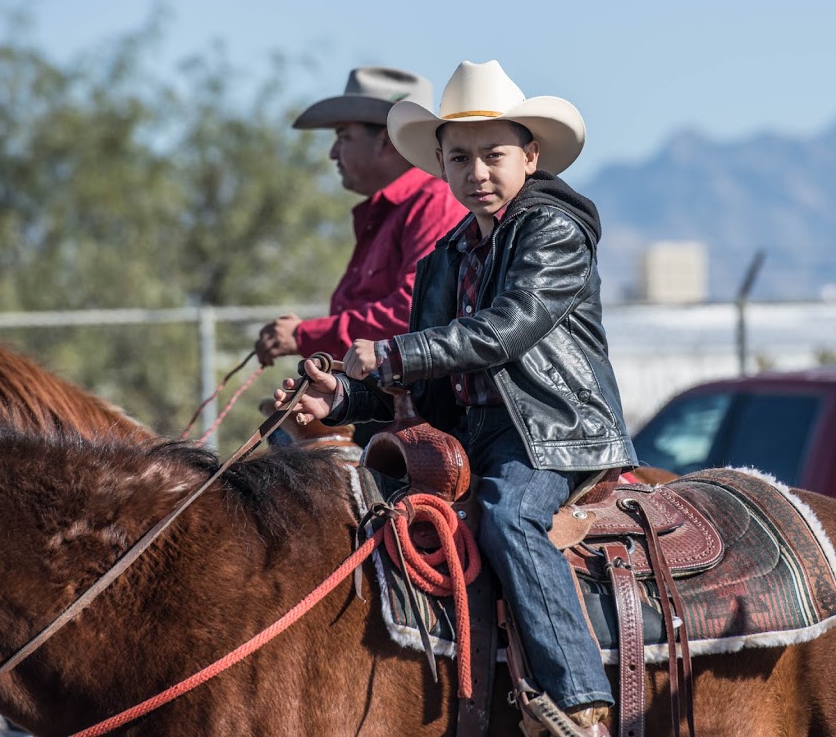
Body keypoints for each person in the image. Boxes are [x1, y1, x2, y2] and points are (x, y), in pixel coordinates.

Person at [276, 60, 637, 736]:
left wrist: (391, 352)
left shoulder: (552, 233)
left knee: (509, 517)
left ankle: (581, 701)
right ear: (441, 164)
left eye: (495, 155)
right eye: (460, 157)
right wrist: (344, 401)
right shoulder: (445, 256)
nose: (478, 173)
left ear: (530, 156)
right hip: (472, 430)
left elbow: (503, 331)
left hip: (553, 432)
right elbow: (430, 386)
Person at [255, 66, 466, 368]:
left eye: (343, 136)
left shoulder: (435, 202)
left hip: (413, 412)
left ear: (386, 141)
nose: (332, 153)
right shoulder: (393, 211)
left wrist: (305, 335)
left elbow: (414, 310)